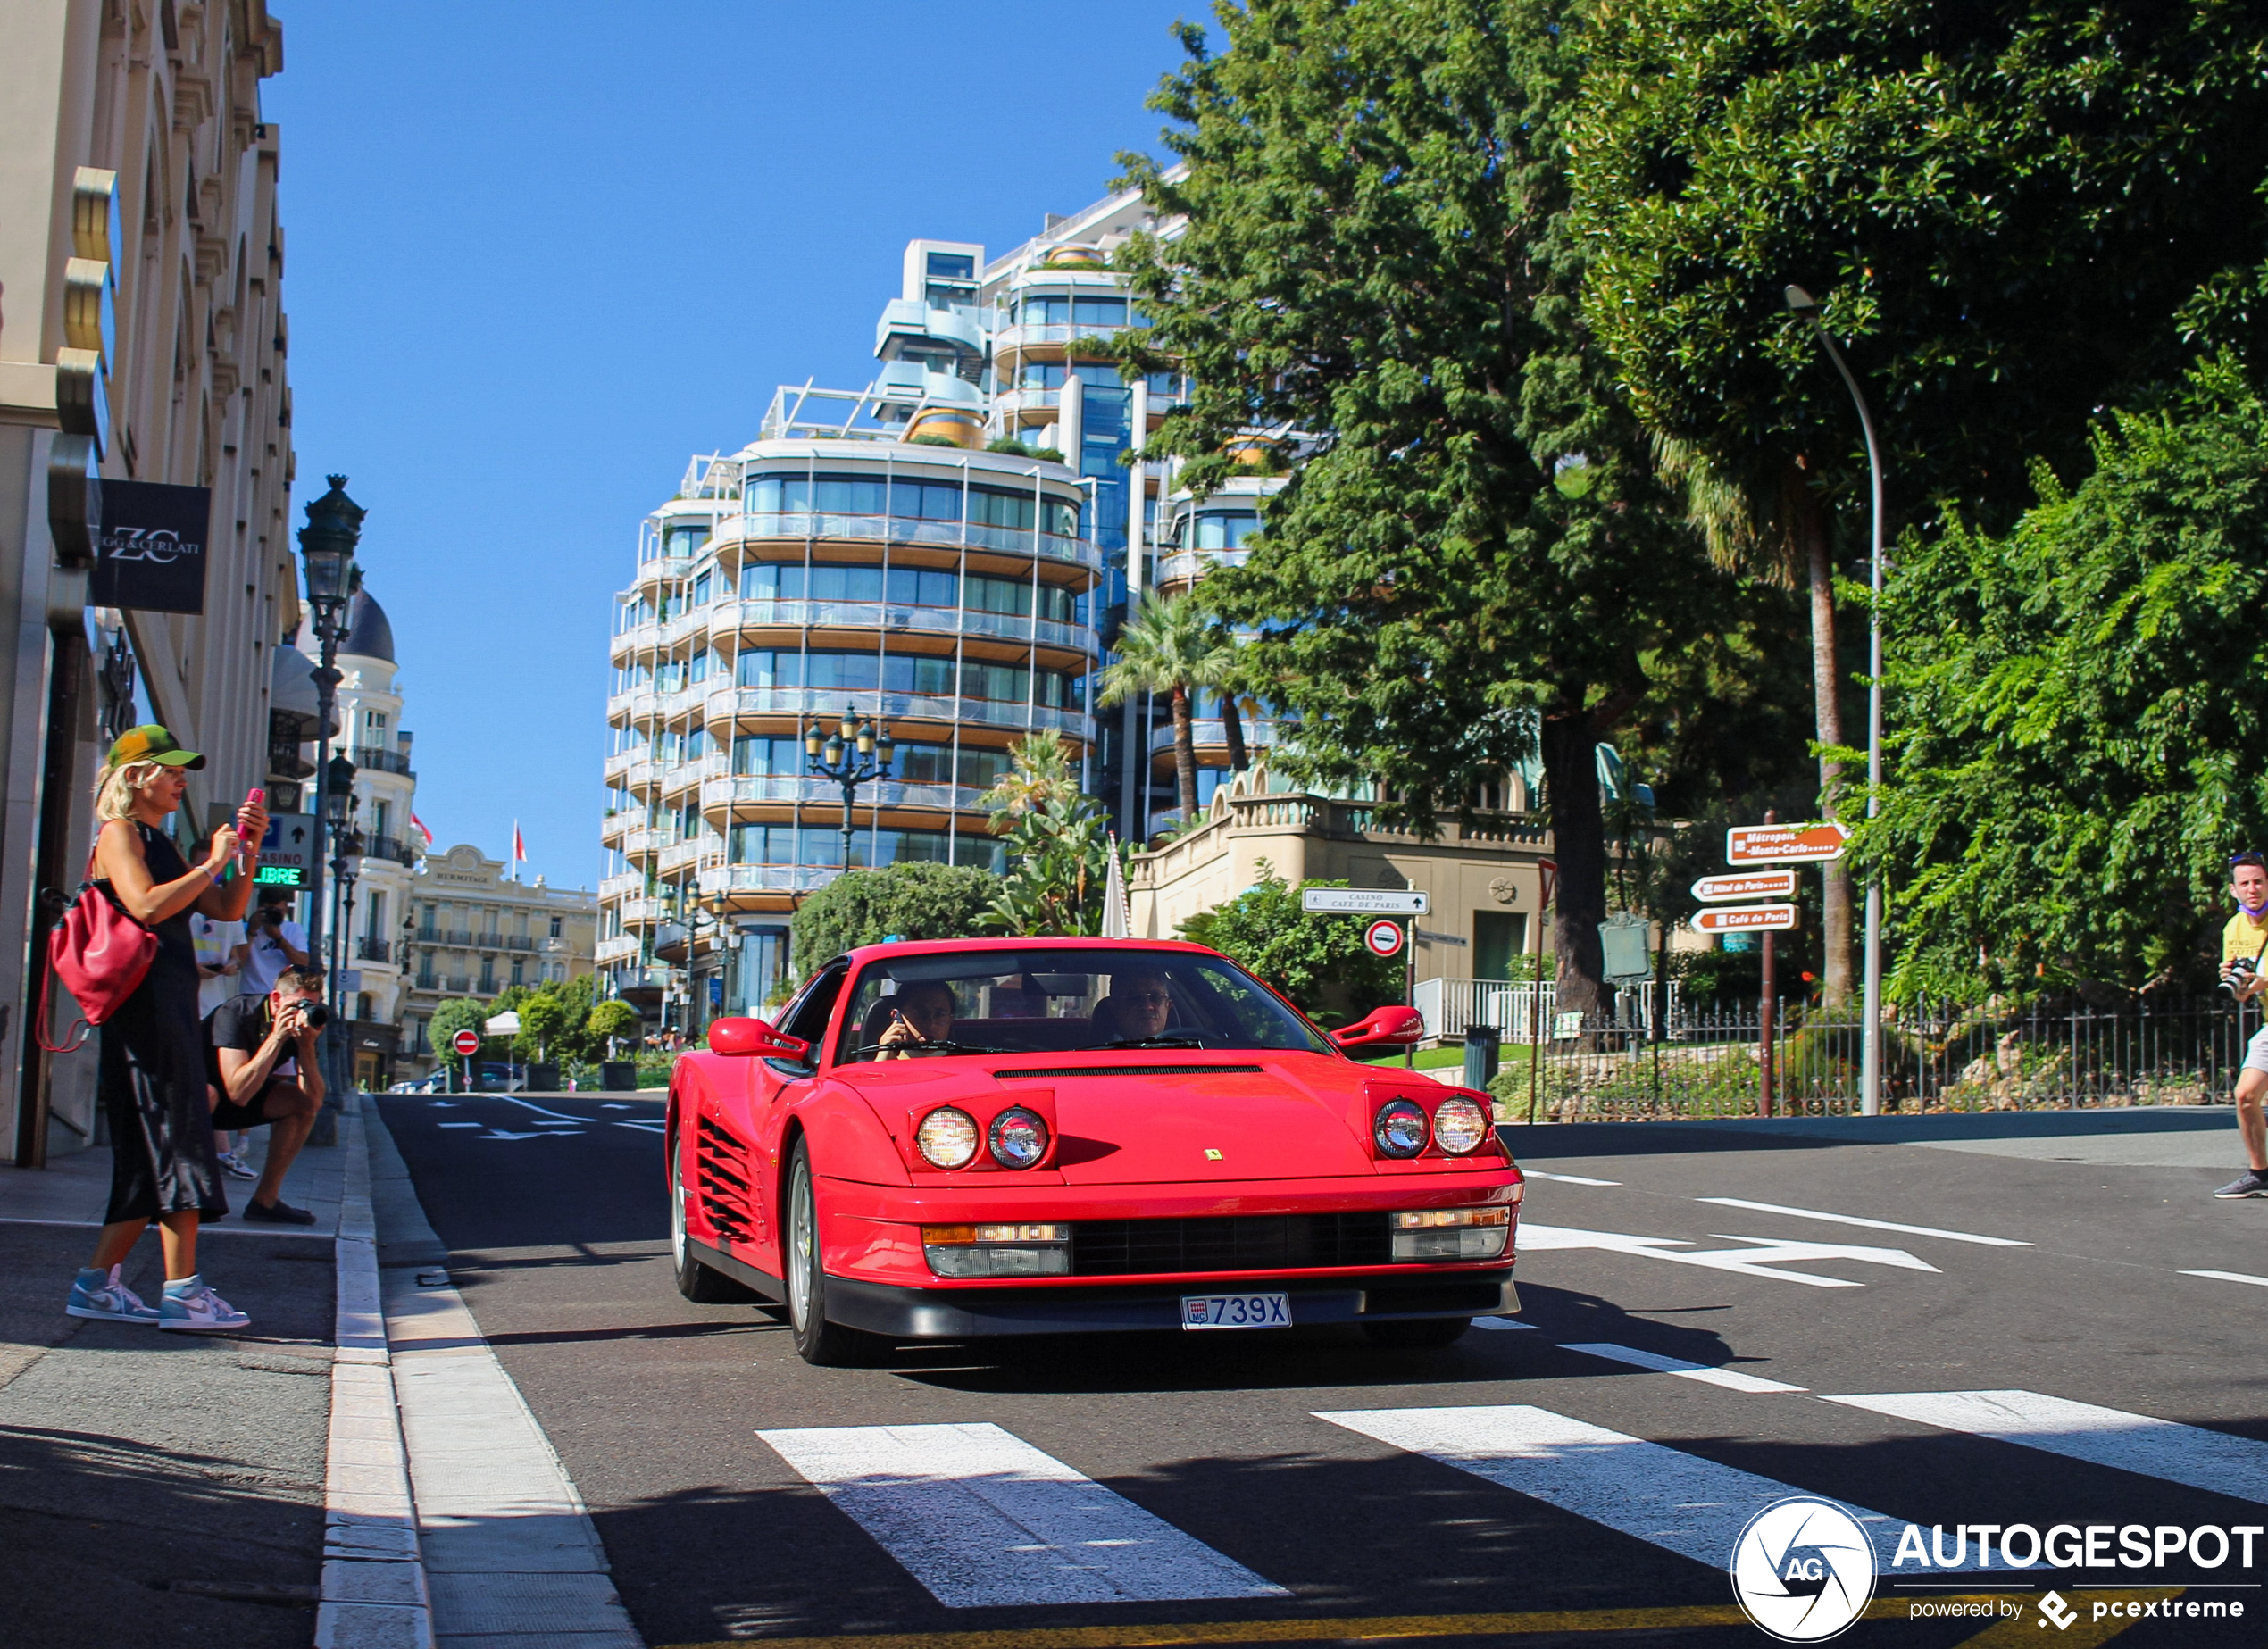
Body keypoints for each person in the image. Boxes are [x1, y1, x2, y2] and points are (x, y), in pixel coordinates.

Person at [64, 727, 265, 1331]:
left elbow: (227, 909)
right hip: (145, 1011)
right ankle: (184, 1291)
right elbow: (148, 904)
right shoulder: (119, 835)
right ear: (136, 776)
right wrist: (211, 861)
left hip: (168, 1004)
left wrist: (245, 852)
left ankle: (96, 1285)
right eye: (171, 770)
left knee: (144, 1159)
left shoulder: (160, 839)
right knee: (181, 1141)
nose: (182, 780)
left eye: (183, 771)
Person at [204, 966, 327, 1223]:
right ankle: (183, 1195)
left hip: (241, 1097)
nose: (303, 1012)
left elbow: (314, 1101)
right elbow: (237, 1092)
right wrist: (276, 1037)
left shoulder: (300, 1027)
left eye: (312, 1005)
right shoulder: (236, 1013)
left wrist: (306, 1046)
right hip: (194, 1098)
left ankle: (265, 1200)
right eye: (298, 1004)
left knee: (301, 1106)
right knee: (208, 1094)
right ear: (275, 999)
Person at [2214, 851, 2268, 1198]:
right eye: (2245, 883)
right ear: (2233, 890)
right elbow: (2242, 997)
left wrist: (2262, 982)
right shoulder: (2232, 928)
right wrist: (2236, 982)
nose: (2253, 889)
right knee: (2245, 1096)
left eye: (2259, 881)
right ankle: (2260, 1174)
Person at [189, 896, 253, 1180]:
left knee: (216, 1081)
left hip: (215, 1006)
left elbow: (241, 957)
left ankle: (218, 1150)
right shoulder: (182, 905)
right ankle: (215, 1150)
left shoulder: (229, 911)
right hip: (184, 1004)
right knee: (204, 1082)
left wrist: (232, 965)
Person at [236, 893, 310, 998]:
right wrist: (251, 931)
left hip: (282, 995)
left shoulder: (293, 929)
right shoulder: (245, 928)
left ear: (286, 909)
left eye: (280, 911)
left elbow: (303, 963)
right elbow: (238, 962)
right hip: (251, 994)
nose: (275, 915)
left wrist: (279, 939)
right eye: (271, 911)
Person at [873, 980, 957, 1058]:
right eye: (919, 1014)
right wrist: (883, 1057)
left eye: (940, 1015)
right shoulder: (873, 1064)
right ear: (897, 1016)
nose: (930, 1023)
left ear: (951, 1019)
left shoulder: (966, 1063)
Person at [1093, 970, 1178, 1043]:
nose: (1147, 1006)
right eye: (1135, 998)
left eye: (1156, 997)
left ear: (1168, 1005)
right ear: (1114, 1008)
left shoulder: (1185, 1050)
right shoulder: (1098, 1056)